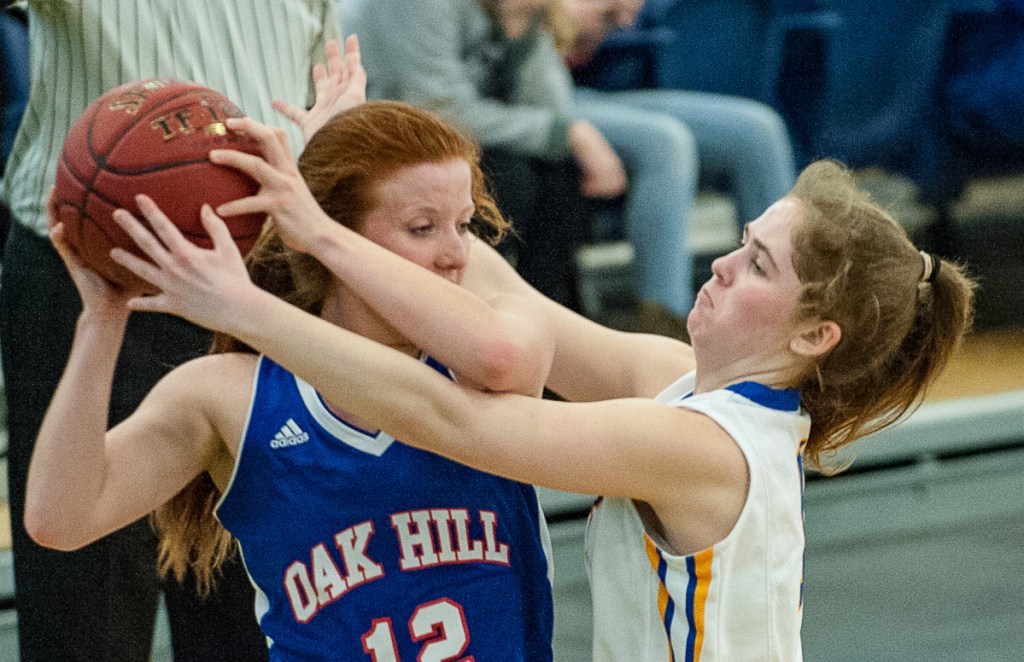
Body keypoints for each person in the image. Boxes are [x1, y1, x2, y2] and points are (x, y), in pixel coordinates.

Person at [102, 154, 974, 659]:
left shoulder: (699, 447)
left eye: (758, 267)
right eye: (741, 243)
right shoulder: (674, 377)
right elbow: (512, 303)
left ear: (815, 335)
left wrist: (249, 303)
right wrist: (365, 183)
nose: (719, 265)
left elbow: (459, 420)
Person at [26, 99, 557, 660]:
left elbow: (504, 358)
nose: (456, 254)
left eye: (464, 225)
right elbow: (62, 521)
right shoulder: (229, 394)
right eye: (422, 228)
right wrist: (102, 322)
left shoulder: (490, 354)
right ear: (327, 232)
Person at [0, 2, 342, 659]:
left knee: (248, 582)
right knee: (86, 588)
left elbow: (316, 89)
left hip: (263, 270)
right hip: (97, 273)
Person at [341, 0, 617, 312]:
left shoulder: (518, 10)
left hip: (460, 137)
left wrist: (522, 30)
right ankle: (471, 312)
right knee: (507, 177)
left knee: (560, 175)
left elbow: (549, 109)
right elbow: (440, 110)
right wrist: (568, 134)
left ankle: (545, 317)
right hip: (383, 132)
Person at [561, 0, 798, 328]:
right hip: (532, 101)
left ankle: (786, 305)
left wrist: (604, 15)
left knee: (760, 130)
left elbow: (574, 46)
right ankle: (667, 325)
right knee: (666, 143)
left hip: (582, 89)